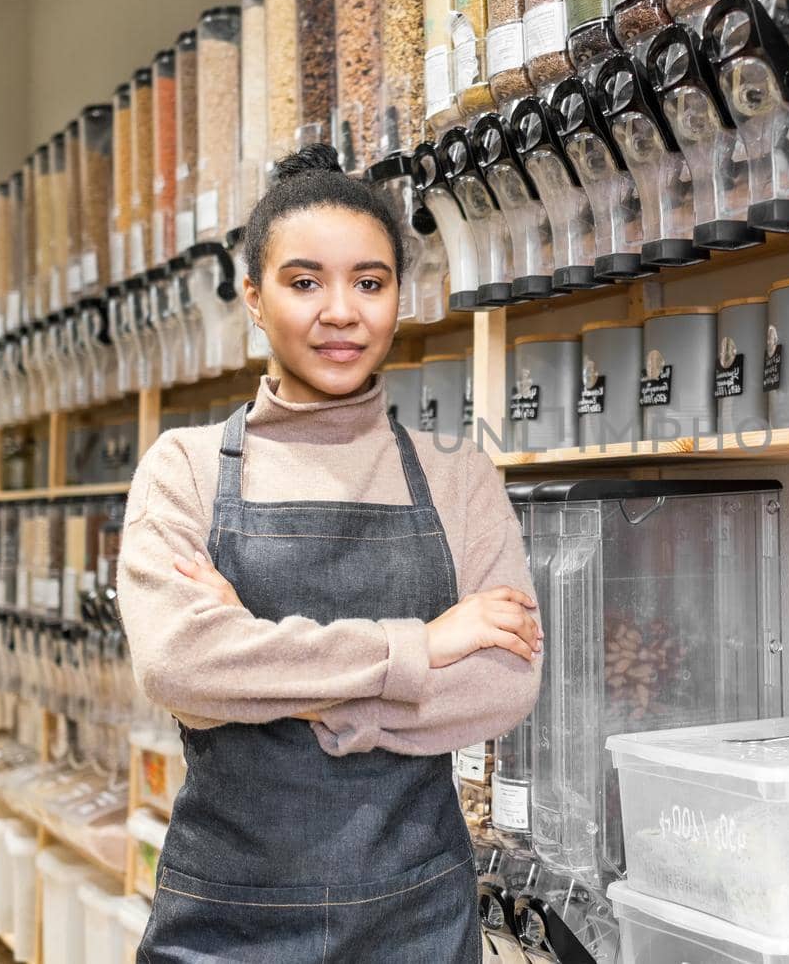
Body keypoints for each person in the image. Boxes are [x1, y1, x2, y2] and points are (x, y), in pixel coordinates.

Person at [117, 144, 541, 962]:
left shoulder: (458, 475)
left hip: (418, 914)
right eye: (304, 281)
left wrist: (272, 673)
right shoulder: (187, 466)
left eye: (370, 282)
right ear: (253, 296)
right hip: (225, 917)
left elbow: (502, 684)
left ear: (398, 297)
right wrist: (421, 646)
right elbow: (179, 666)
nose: (341, 311)